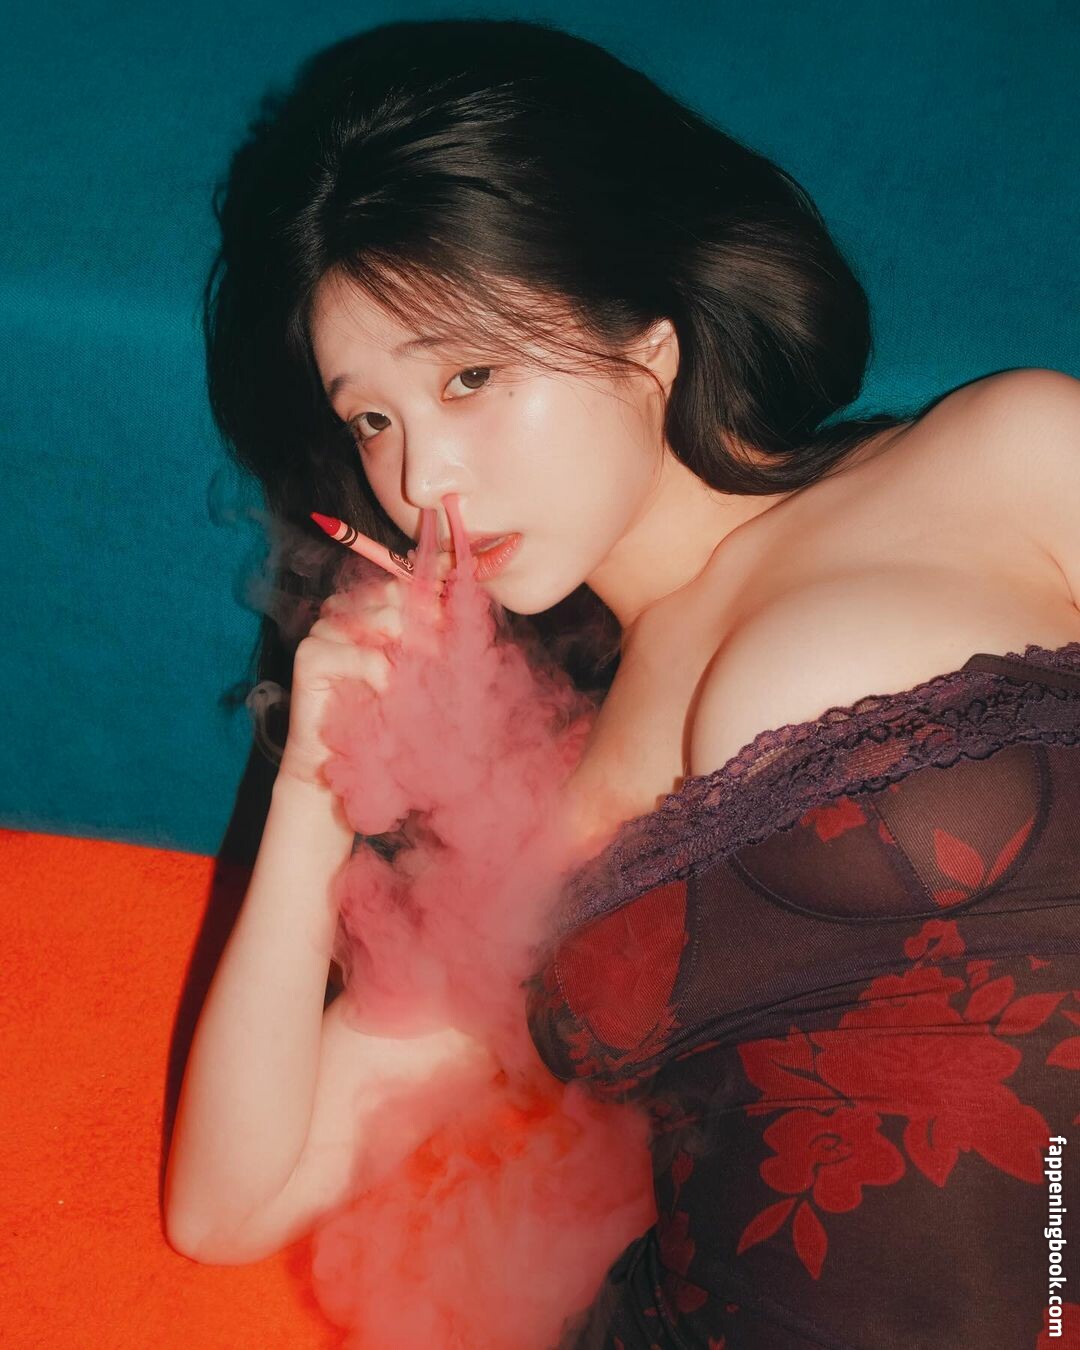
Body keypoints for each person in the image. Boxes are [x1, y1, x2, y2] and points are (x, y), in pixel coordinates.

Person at [165, 16, 1080, 1346]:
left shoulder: (1008, 454)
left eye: (469, 375)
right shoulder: (533, 802)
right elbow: (229, 1203)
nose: (421, 478)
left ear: (648, 340)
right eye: (372, 418)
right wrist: (316, 778)